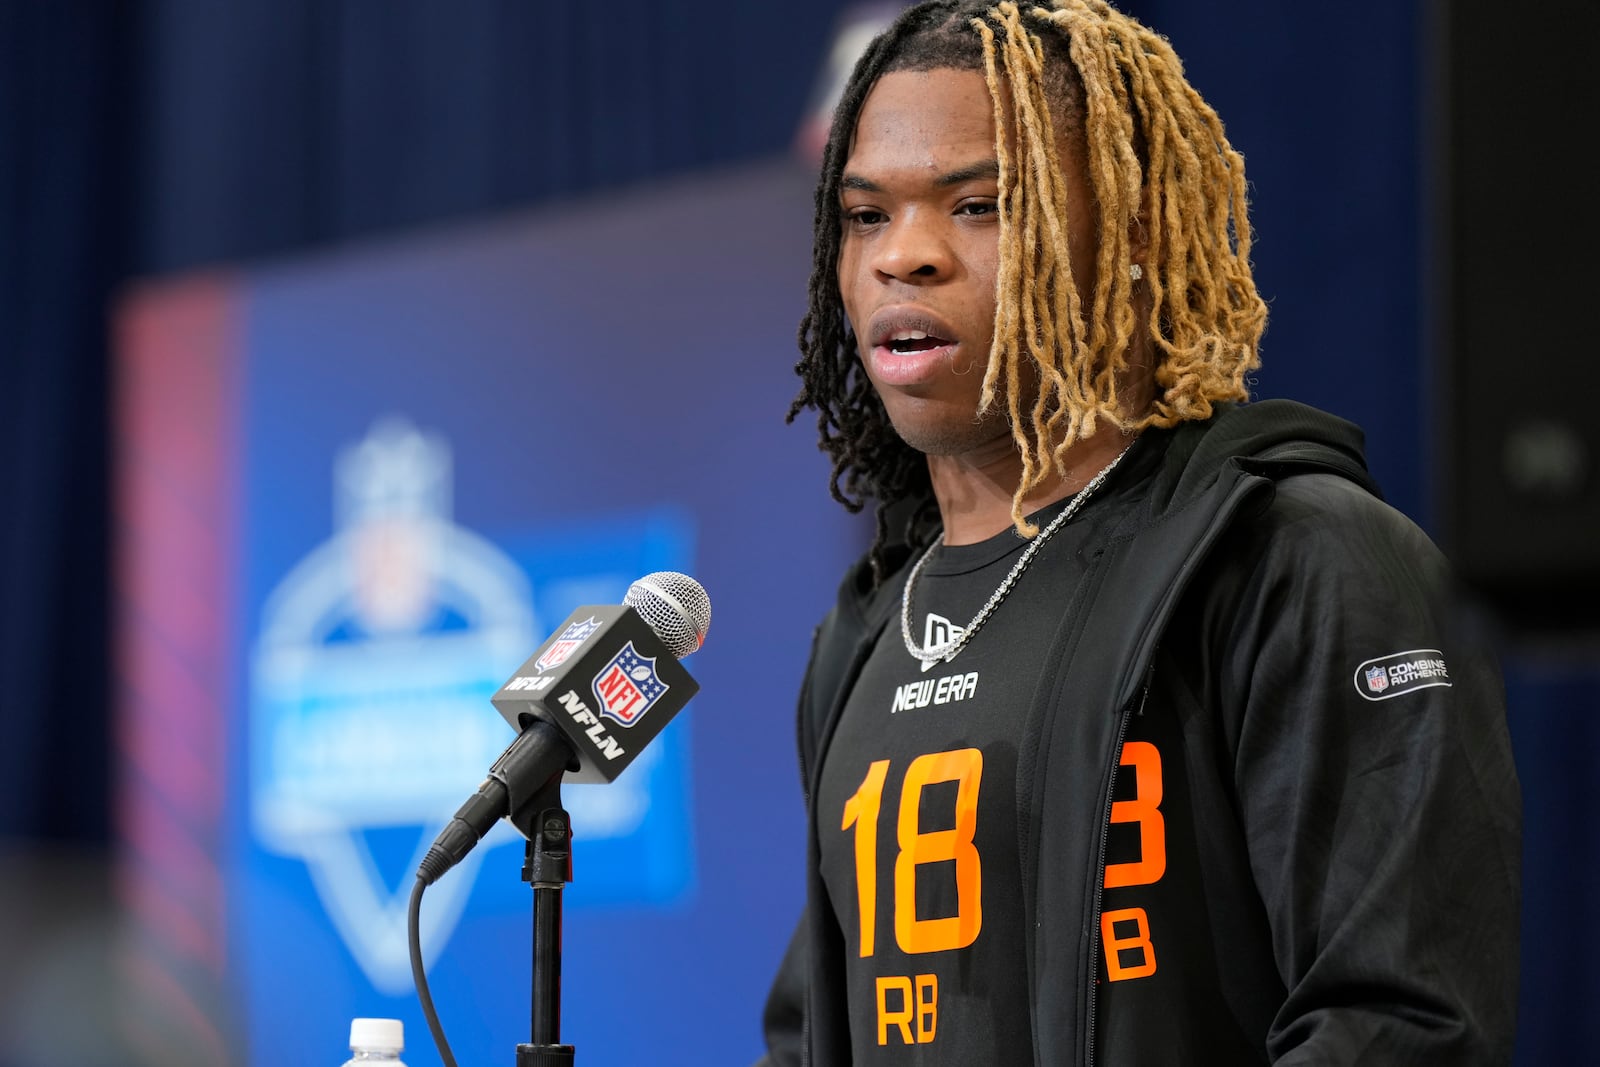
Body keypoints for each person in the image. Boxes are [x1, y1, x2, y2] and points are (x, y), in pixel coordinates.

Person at [758, 1, 1522, 1063]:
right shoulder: (866, 637)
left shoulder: (1296, 558)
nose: (907, 255)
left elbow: (1400, 1021)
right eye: (865, 215)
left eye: (978, 206)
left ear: (1125, 238)